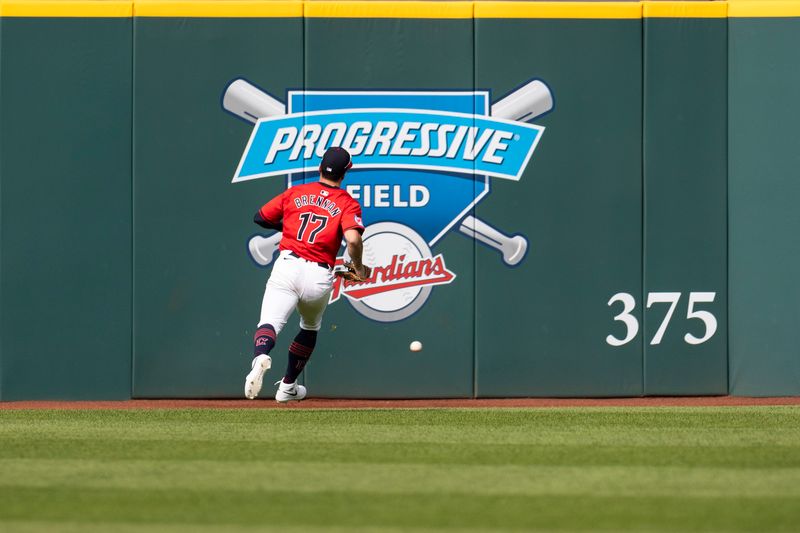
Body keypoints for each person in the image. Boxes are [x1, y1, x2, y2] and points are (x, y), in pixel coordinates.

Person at [244, 146, 369, 402]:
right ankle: (288, 386)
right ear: (346, 173)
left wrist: (289, 222)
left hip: (288, 266)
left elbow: (260, 217)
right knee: (309, 326)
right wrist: (357, 264)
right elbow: (353, 240)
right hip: (319, 275)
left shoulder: (296, 193)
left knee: (269, 323)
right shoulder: (346, 202)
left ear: (320, 167)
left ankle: (260, 357)